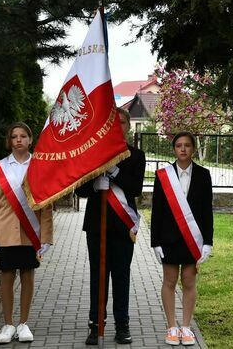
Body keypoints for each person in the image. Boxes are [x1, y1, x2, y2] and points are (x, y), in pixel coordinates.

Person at [76, 107, 146, 345]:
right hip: (97, 225)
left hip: (123, 226)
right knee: (98, 275)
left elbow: (136, 188)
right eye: (113, 123)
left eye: (123, 123)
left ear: (127, 127)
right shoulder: (94, 154)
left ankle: (122, 325)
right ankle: (96, 326)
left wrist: (115, 172)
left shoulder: (136, 155)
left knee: (121, 275)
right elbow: (79, 188)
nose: (119, 126)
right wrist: (95, 184)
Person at [0, 122, 53, 344]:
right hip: (5, 232)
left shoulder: (40, 166)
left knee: (27, 276)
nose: (19, 140)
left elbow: (46, 204)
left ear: (30, 140)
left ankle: (23, 323)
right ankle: (7, 324)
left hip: (29, 231)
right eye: (14, 136)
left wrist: (46, 237)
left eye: (23, 136)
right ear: (9, 141)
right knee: (6, 277)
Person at [151, 131, 214, 346]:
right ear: (174, 149)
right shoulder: (163, 176)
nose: (183, 149)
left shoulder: (204, 175)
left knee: (188, 281)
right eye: (179, 145)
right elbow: (156, 210)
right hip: (168, 239)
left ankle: (186, 327)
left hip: (192, 240)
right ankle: (171, 327)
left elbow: (207, 212)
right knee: (169, 281)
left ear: (193, 148)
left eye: (187, 145)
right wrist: (155, 242)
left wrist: (207, 242)